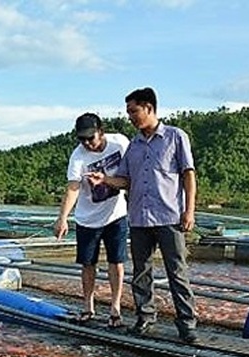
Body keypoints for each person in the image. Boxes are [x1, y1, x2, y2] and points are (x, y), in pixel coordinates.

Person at [87, 87, 199, 344]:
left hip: (170, 216)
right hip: (138, 218)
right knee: (141, 272)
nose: (130, 117)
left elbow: (188, 174)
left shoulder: (175, 136)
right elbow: (125, 180)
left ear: (149, 108)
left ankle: (187, 324)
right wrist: (104, 179)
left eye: (133, 111)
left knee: (177, 272)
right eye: (128, 112)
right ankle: (145, 317)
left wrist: (189, 210)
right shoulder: (134, 146)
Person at [54, 112, 129, 328]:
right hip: (87, 219)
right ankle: (88, 306)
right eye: (82, 139)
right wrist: (62, 218)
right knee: (88, 264)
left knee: (116, 262)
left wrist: (107, 180)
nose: (87, 143)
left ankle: (115, 309)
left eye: (91, 138)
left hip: (116, 214)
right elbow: (73, 188)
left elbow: (130, 176)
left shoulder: (120, 143)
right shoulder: (78, 157)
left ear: (101, 132)